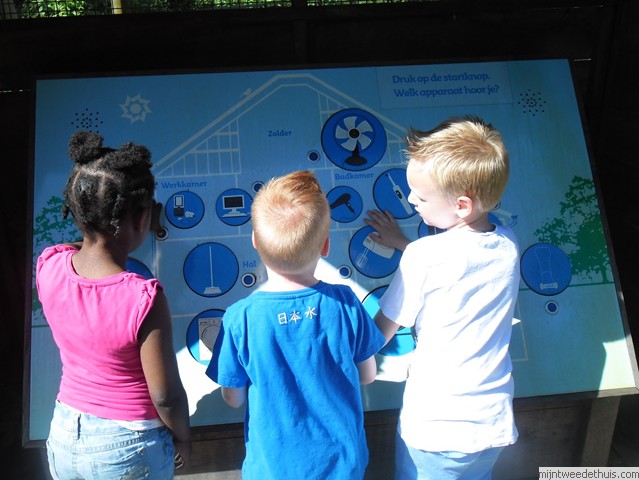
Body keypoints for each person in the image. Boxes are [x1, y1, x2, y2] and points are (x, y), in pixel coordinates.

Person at [365, 116, 519, 480]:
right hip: (492, 427)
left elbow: (378, 333)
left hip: (436, 431)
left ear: (462, 205)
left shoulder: (423, 257)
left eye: (421, 196)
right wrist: (405, 244)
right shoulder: (508, 243)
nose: (411, 200)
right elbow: (458, 263)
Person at [206, 170, 386, 480]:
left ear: (255, 242)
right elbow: (367, 375)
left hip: (273, 469)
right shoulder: (344, 302)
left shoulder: (240, 317)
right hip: (342, 465)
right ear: (325, 246)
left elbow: (233, 399)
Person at [36, 131, 191, 479]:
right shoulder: (144, 298)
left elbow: (80, 247)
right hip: (127, 444)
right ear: (141, 220)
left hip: (65, 434)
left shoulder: (49, 265)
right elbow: (165, 395)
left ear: (77, 212)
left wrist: (131, 222)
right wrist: (183, 438)